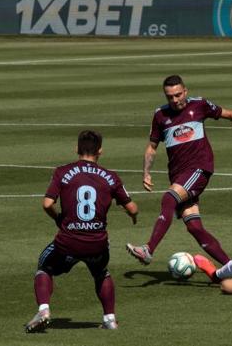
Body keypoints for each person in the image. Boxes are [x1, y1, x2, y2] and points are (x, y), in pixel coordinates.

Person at [126, 75, 232, 266]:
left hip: (199, 169)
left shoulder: (199, 105)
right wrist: (146, 172)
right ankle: (230, 267)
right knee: (194, 226)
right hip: (178, 174)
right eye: (170, 97)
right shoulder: (160, 115)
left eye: (178, 95)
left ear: (185, 91)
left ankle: (148, 249)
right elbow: (152, 147)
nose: (175, 100)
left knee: (169, 198)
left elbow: (226, 113)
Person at [25, 130, 138, 333]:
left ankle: (43, 309)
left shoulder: (62, 171)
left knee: (44, 267)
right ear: (100, 151)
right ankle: (110, 319)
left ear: (76, 149)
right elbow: (133, 208)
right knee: (101, 272)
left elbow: (47, 203)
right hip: (97, 243)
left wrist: (59, 219)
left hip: (68, 242)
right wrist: (132, 216)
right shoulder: (111, 177)